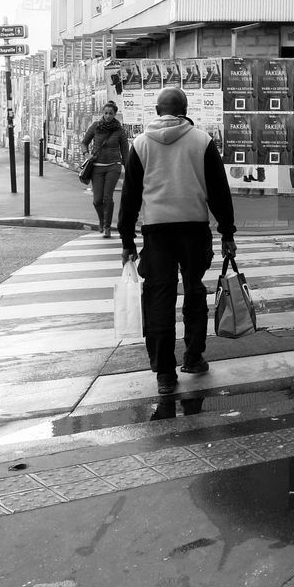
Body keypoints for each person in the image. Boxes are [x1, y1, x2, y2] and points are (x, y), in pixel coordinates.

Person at [119, 87, 237, 396]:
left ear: (158, 110)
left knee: (159, 298)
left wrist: (126, 240)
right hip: (194, 229)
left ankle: (165, 375)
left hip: (157, 232)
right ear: (184, 109)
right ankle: (194, 356)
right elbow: (218, 192)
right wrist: (227, 231)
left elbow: (130, 197)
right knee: (194, 290)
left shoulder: (140, 145)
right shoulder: (202, 142)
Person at [81, 101, 130, 238]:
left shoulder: (119, 130)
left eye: (111, 113)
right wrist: (86, 154)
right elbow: (84, 142)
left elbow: (125, 151)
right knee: (97, 200)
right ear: (103, 113)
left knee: (108, 197)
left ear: (115, 114)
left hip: (113, 166)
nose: (108, 116)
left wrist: (128, 169)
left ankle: (107, 227)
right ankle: (102, 220)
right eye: (106, 113)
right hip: (97, 167)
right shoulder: (96, 126)